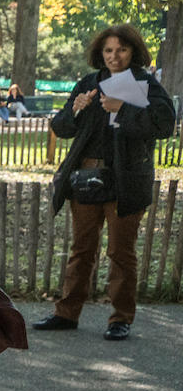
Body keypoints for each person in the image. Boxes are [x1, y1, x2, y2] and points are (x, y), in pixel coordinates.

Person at [35, 23, 177, 342]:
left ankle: (120, 318)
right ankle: (66, 313)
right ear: (101, 53)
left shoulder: (145, 83)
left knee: (120, 251)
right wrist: (76, 109)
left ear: (133, 52)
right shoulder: (89, 82)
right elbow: (62, 127)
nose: (115, 56)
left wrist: (122, 109)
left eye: (122, 50)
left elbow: (165, 124)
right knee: (81, 248)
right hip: (86, 178)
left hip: (125, 179)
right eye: (109, 51)